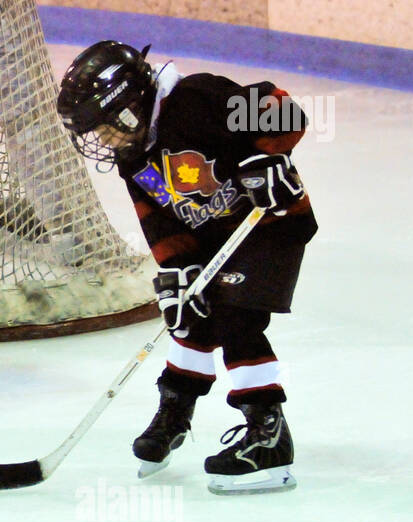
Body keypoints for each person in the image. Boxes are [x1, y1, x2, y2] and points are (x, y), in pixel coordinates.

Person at [56, 41, 317, 494]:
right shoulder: (133, 154)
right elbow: (156, 218)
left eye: (104, 128)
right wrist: (176, 270)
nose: (102, 140)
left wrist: (268, 156)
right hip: (214, 238)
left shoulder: (197, 98)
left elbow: (284, 111)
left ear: (130, 109)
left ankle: (268, 434)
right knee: (188, 315)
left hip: (270, 226)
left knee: (236, 318)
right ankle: (175, 413)